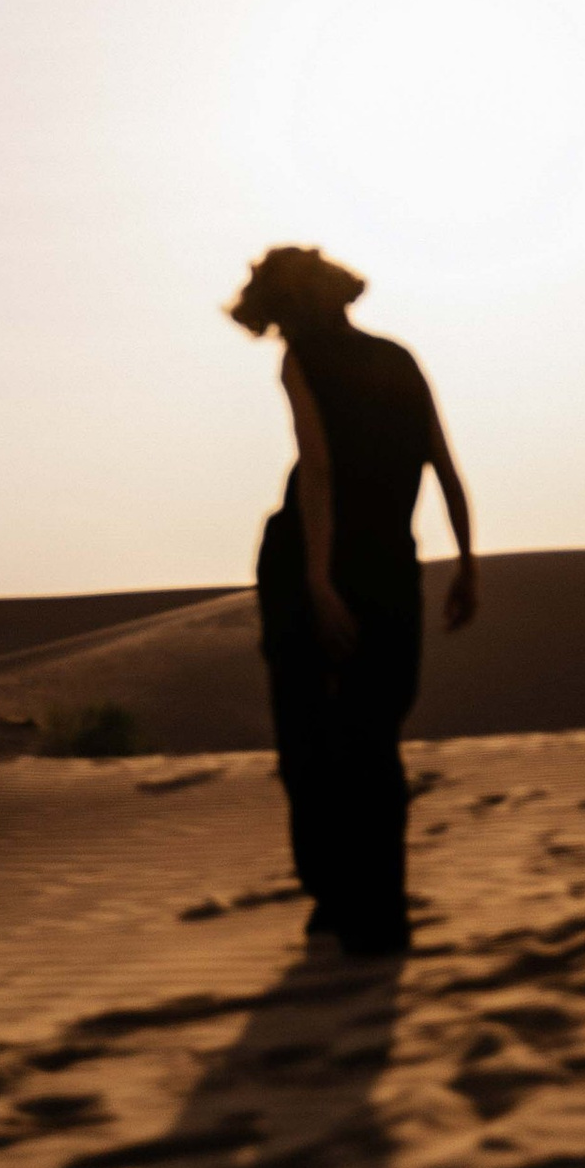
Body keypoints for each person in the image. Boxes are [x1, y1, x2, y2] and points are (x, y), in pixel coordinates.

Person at [229, 244, 475, 959]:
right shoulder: (396, 356)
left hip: (318, 562)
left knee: (313, 734)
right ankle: (370, 911)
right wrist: (466, 561)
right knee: (372, 735)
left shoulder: (303, 359)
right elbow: (441, 461)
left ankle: (345, 903)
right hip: (388, 562)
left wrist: (317, 581)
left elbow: (321, 471)